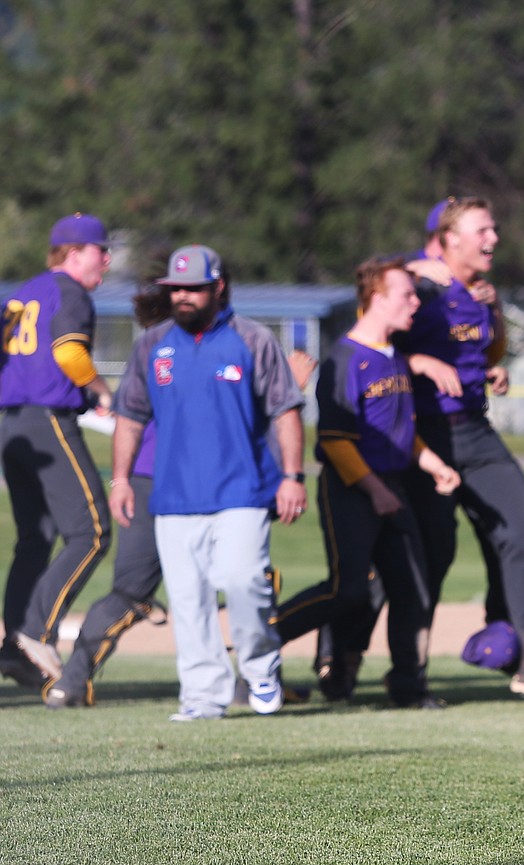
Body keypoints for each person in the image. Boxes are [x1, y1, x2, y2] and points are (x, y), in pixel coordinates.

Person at [43, 282, 319, 709]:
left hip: (146, 479)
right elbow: (236, 426)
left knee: (133, 591)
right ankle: (253, 681)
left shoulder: (163, 351)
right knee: (247, 578)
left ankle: (71, 682)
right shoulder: (183, 351)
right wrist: (292, 386)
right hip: (183, 486)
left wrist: (121, 481)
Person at [108, 244, 307, 721]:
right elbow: (131, 418)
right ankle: (203, 695)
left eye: (193, 289)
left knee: (243, 582)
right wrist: (119, 479)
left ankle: (260, 668)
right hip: (174, 497)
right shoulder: (152, 345)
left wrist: (293, 477)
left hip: (243, 490)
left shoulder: (253, 339)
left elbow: (286, 411)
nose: (183, 298)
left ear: (218, 288)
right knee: (188, 599)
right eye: (175, 290)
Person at [399, 196, 524, 698]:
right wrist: (418, 362)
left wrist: (490, 362)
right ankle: (388, 668)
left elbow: (485, 349)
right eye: (483, 229)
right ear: (448, 238)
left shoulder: (476, 290)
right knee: (429, 556)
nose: (494, 238)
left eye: (494, 228)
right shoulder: (417, 284)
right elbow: (373, 331)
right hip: (421, 436)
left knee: (519, 528)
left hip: (474, 431)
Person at [274, 256, 460, 709]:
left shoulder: (393, 354)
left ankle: (409, 688)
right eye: (406, 294)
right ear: (377, 299)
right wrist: (374, 490)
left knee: (412, 587)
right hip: (351, 491)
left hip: (393, 486)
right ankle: (259, 638)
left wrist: (432, 463)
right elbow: (336, 442)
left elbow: (397, 429)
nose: (415, 302)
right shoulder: (345, 360)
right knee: (348, 588)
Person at [0, 213, 116, 689]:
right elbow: (69, 353)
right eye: (99, 250)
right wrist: (101, 391)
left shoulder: (18, 294)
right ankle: (34, 633)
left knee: (35, 536)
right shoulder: (69, 291)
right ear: (73, 253)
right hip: (47, 420)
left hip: (11, 425)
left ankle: (13, 650)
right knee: (91, 532)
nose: (106, 260)